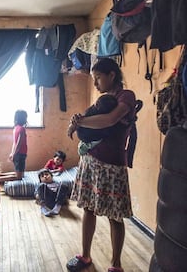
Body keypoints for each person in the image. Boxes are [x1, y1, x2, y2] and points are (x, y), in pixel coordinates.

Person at [66, 58, 136, 272]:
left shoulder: (126, 97)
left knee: (115, 215)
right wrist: (79, 121)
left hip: (112, 165)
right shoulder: (104, 99)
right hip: (91, 160)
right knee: (88, 209)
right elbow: (94, 119)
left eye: (98, 78)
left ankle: (116, 264)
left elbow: (109, 120)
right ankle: (85, 256)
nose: (95, 83)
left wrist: (79, 123)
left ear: (112, 75)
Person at [0, 109, 28, 182]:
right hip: (20, 154)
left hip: (18, 154)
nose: (26, 119)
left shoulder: (15, 128)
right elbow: (18, 143)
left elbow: (14, 143)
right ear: (22, 118)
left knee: (19, 174)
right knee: (19, 177)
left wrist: (12, 153)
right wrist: (14, 154)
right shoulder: (22, 129)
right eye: (25, 117)